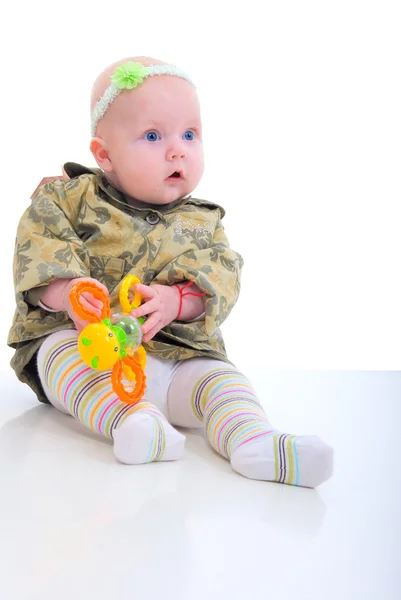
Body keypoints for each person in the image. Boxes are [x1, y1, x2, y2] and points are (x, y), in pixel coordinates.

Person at [8, 56, 333, 487]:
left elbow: (221, 277)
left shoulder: (203, 222)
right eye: (153, 135)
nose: (177, 149)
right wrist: (69, 292)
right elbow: (40, 246)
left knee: (220, 379)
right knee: (60, 352)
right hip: (94, 351)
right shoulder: (70, 198)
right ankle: (132, 422)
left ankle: (254, 439)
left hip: (178, 362)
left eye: (190, 134)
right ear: (105, 154)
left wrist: (177, 300)